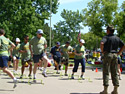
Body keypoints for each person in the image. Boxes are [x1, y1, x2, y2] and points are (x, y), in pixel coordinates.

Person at [100, 25, 124, 94]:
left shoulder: (106, 37)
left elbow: (102, 43)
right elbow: (123, 45)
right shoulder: (117, 38)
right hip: (115, 55)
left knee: (106, 72)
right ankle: (115, 90)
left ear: (108, 30)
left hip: (108, 54)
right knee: (114, 72)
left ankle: (105, 90)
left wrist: (102, 52)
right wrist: (119, 53)